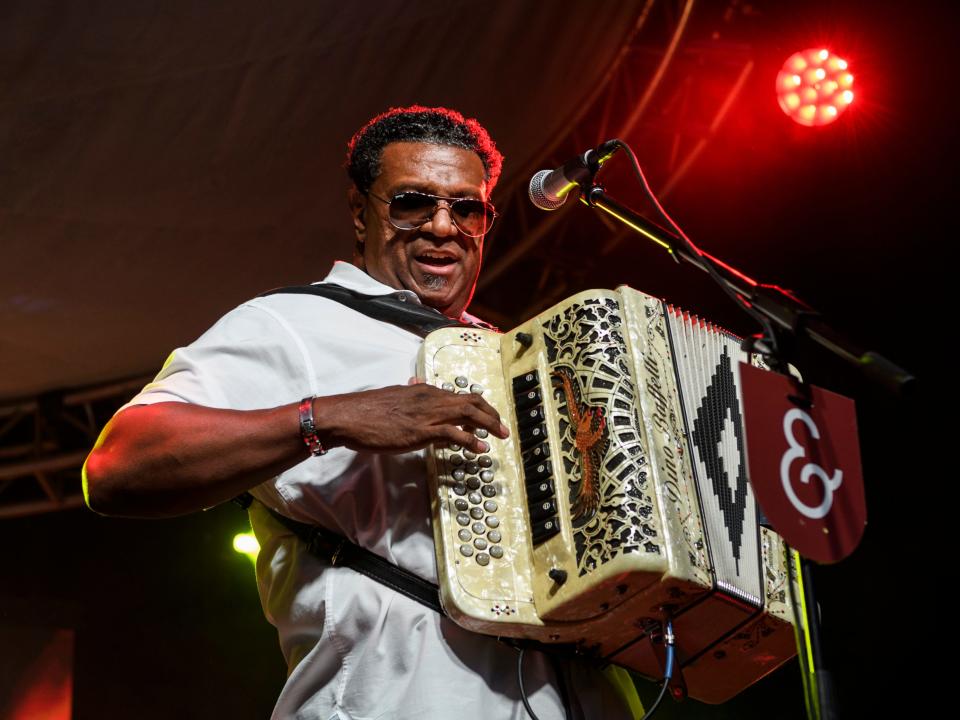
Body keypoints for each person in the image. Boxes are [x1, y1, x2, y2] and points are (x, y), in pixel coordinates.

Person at [84, 106, 638, 719]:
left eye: (467, 208)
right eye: (411, 203)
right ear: (360, 213)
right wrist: (331, 416)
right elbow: (117, 466)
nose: (441, 227)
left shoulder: (514, 358)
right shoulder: (292, 323)